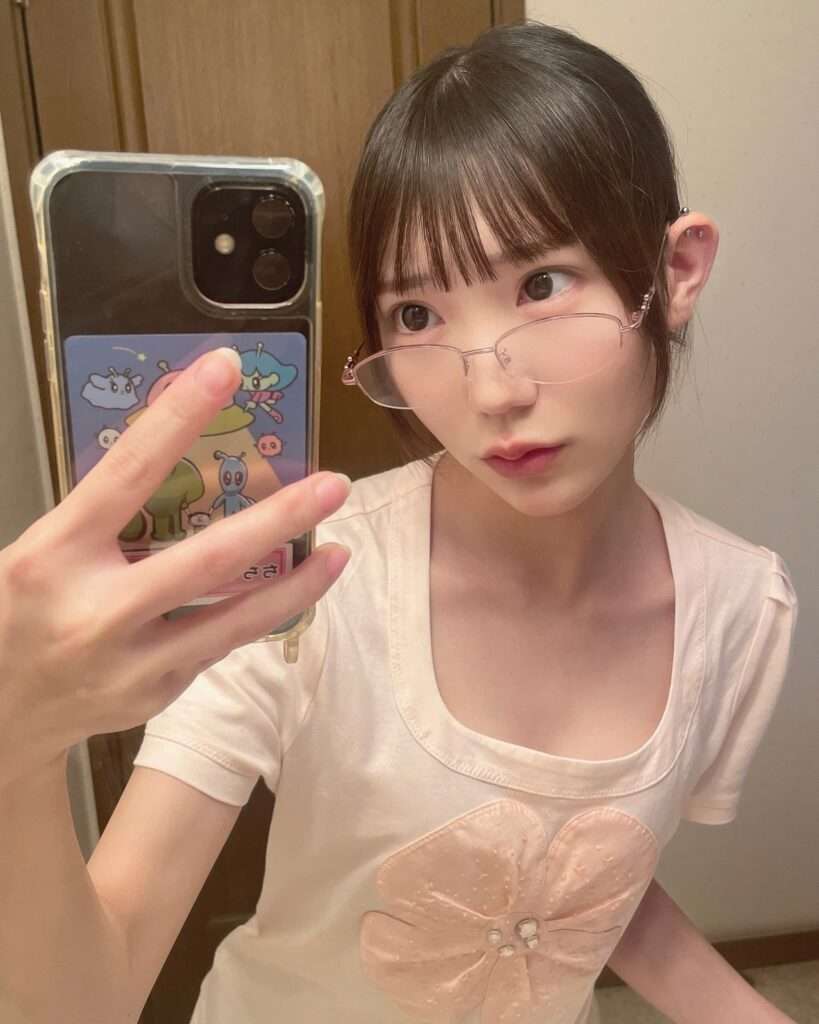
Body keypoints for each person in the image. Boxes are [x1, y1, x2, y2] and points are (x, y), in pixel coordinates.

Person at [0, 20, 800, 1024]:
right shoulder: (302, 589)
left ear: (673, 273)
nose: (491, 392)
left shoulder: (739, 606)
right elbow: (85, 995)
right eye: (416, 316)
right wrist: (16, 750)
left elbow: (584, 879)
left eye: (541, 285)